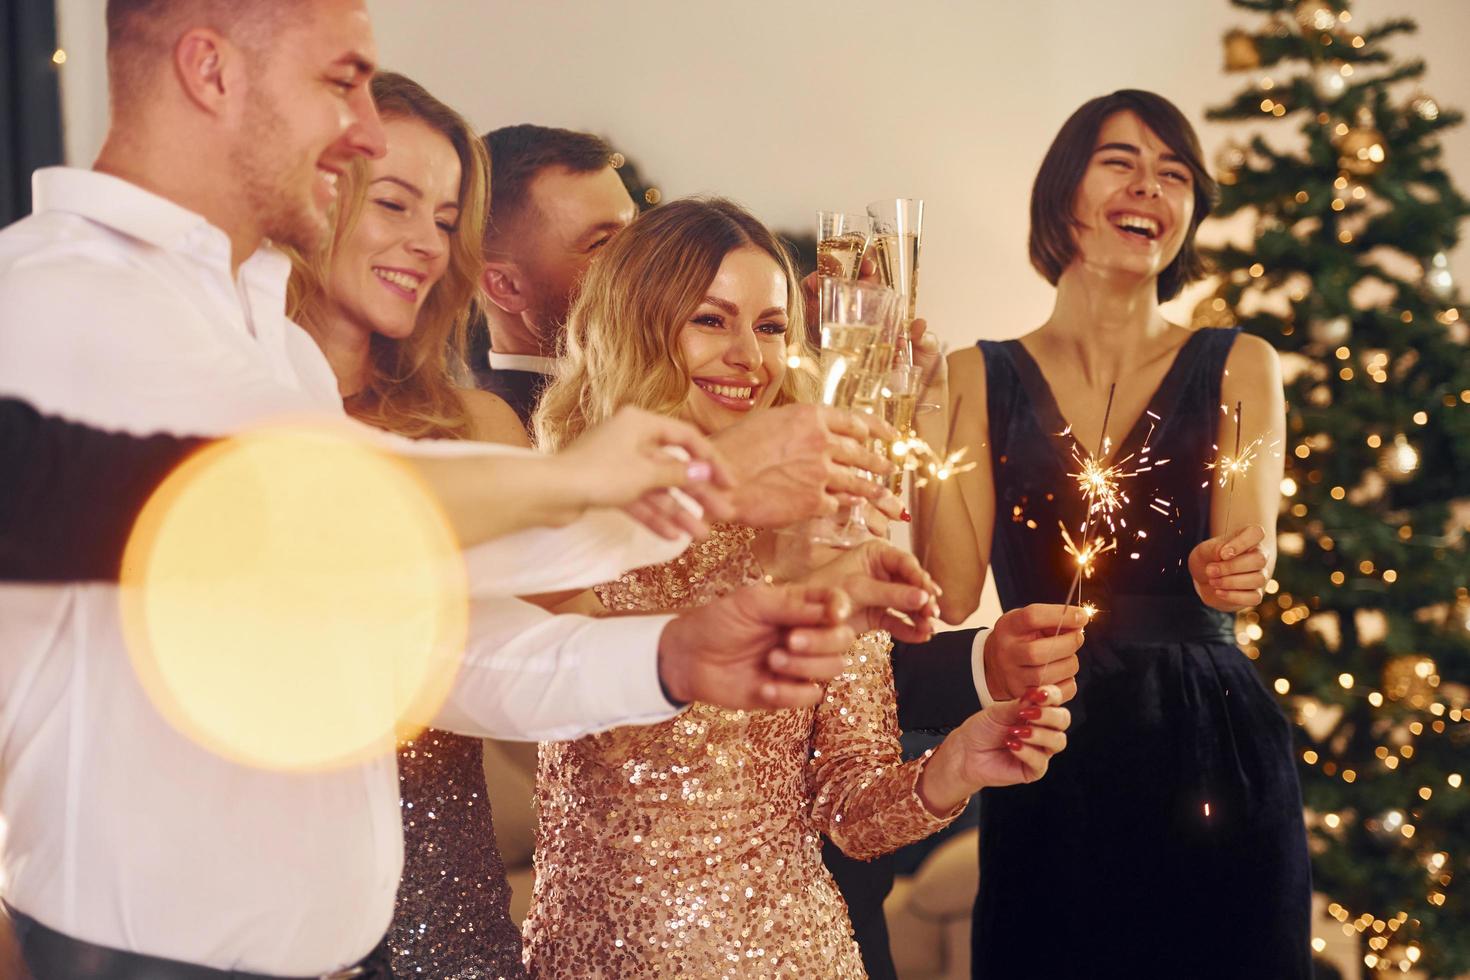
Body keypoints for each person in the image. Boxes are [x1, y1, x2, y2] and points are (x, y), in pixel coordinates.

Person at [0, 2, 906, 975]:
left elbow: (423, 643)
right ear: (210, 71)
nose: (359, 125)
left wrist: (669, 654)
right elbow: (290, 514)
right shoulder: (61, 302)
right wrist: (672, 481)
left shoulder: (265, 347)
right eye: (341, 80)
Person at [523, 197, 1073, 978]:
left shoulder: (831, 516)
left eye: (773, 326)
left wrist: (955, 767)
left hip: (787, 955)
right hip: (589, 957)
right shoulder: (565, 510)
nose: (750, 356)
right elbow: (575, 704)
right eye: (711, 320)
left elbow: (851, 807)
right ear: (638, 324)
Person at [919, 89, 1309, 979]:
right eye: (1121, 162)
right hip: (1048, 735)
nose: (1150, 187)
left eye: (1174, 174)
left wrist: (1228, 568)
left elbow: (1249, 555)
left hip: (1212, 740)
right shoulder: (972, 376)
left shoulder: (1240, 362)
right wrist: (919, 412)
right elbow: (946, 592)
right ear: (1064, 194)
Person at [285, 69, 532, 977]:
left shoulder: (477, 432)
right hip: (263, 912)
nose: (426, 244)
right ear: (311, 199)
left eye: (445, 219)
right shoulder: (215, 423)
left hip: (446, 909)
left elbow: (544, 670)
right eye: (395, 202)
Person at [470, 124, 638, 425]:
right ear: (506, 286)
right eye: (601, 243)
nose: (644, 257)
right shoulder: (506, 433)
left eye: (635, 231)